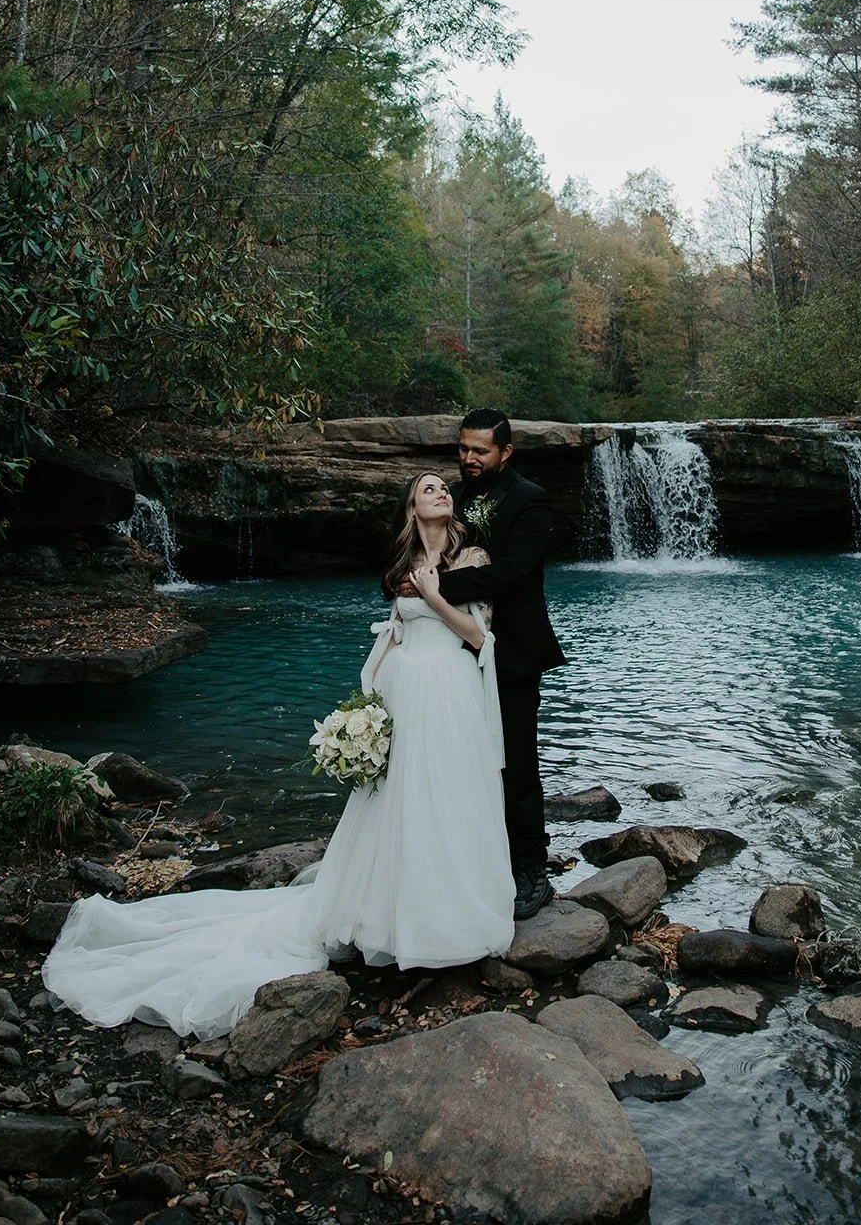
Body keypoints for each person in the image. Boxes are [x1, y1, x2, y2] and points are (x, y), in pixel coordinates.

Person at [41, 471, 514, 1042]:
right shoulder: (400, 561)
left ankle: (451, 923)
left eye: (445, 488)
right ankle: (391, 922)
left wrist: (435, 594)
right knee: (400, 804)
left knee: (449, 798)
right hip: (405, 693)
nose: (441, 493)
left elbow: (477, 636)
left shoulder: (473, 555)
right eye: (429, 488)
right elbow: (391, 634)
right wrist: (362, 710)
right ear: (411, 504)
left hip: (450, 687)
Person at [437, 408, 565, 920]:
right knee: (464, 760)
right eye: (464, 448)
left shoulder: (531, 500)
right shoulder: (454, 494)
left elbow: (512, 573)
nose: (469, 458)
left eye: (480, 451)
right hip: (456, 651)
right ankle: (474, 861)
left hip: (512, 650)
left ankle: (532, 872)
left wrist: (435, 589)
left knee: (516, 762)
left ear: (505, 452)